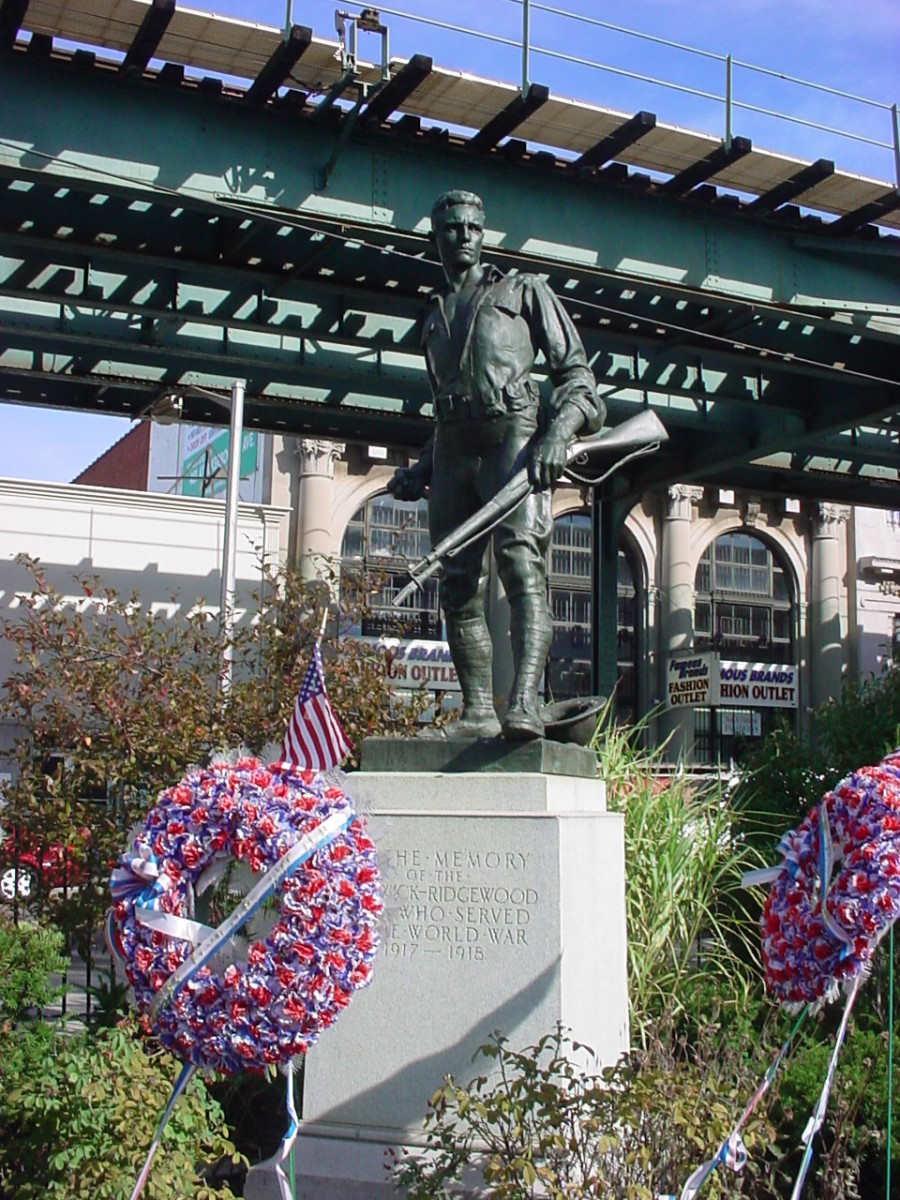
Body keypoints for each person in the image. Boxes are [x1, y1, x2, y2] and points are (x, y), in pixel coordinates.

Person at [388, 190, 604, 740]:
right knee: (456, 583)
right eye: (451, 228)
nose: (463, 235)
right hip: (455, 448)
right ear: (435, 238)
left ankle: (525, 704)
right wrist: (422, 468)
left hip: (515, 438)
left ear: (484, 233)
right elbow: (445, 403)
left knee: (520, 566)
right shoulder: (432, 317)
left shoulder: (525, 291)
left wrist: (558, 432)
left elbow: (579, 380)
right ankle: (477, 712)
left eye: (472, 227)